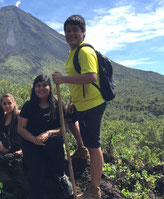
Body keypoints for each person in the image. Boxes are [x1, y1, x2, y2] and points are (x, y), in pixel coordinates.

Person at [52, 15, 107, 199]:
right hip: (81, 104)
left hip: (92, 105)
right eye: (68, 31)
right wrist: (71, 101)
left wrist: (63, 79)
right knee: (69, 119)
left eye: (75, 30)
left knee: (94, 145)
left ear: (84, 32)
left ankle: (94, 189)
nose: (71, 34)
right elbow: (78, 81)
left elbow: (91, 76)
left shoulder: (84, 52)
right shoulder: (72, 53)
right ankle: (81, 149)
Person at [17, 74, 73, 199]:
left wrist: (49, 133)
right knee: (37, 174)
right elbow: (21, 128)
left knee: (56, 141)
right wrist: (34, 139)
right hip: (31, 144)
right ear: (34, 88)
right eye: (38, 85)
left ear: (50, 87)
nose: (41, 88)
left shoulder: (58, 104)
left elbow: (63, 128)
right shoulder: (28, 105)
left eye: (44, 85)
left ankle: (62, 176)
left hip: (51, 145)